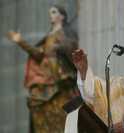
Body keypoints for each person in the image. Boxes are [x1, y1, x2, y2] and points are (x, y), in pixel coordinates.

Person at [7, 5, 78, 133]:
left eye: (54, 12)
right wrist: (20, 41)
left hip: (60, 77)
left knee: (60, 109)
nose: (50, 14)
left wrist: (60, 45)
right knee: (38, 106)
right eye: (50, 12)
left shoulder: (65, 32)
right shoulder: (50, 35)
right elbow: (39, 54)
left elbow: (73, 48)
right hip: (46, 77)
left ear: (61, 16)